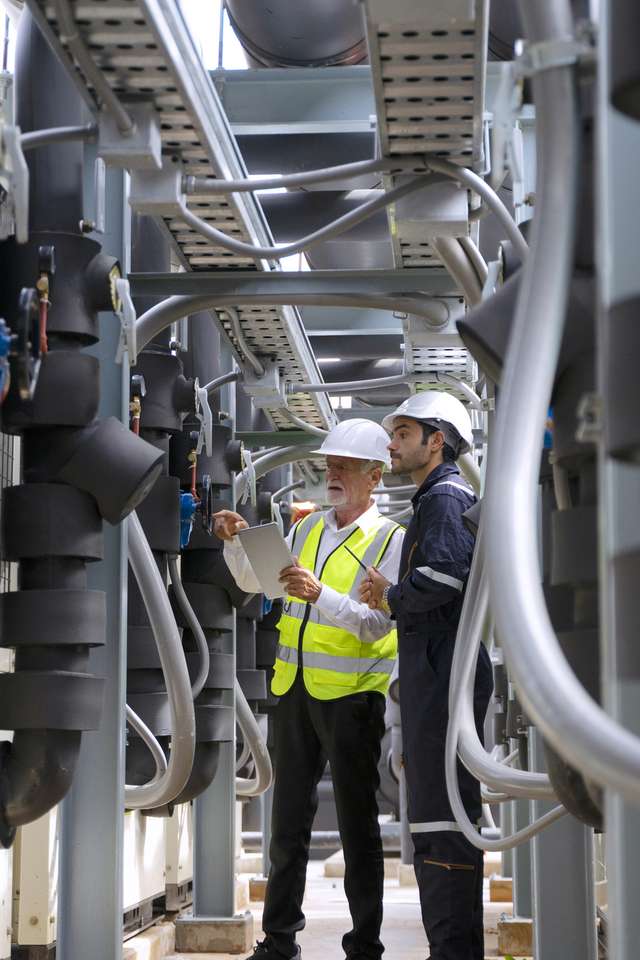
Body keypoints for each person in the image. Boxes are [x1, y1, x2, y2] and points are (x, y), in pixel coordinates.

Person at [213, 418, 404, 960]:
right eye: (331, 463)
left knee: (358, 827)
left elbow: (378, 624)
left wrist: (320, 595)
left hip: (352, 699)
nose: (333, 472)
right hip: (294, 689)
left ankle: (364, 945)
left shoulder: (390, 540)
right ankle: (278, 942)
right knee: (287, 823)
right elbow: (260, 584)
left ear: (375, 475)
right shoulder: (308, 529)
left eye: (345, 465)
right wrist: (235, 545)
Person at [359, 393, 493, 960]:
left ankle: (453, 953)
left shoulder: (443, 500)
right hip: (435, 674)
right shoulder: (437, 500)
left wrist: (388, 594)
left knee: (442, 819)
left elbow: (441, 580)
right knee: (441, 817)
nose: (392, 443)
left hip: (443, 674)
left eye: (405, 432)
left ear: (437, 440)